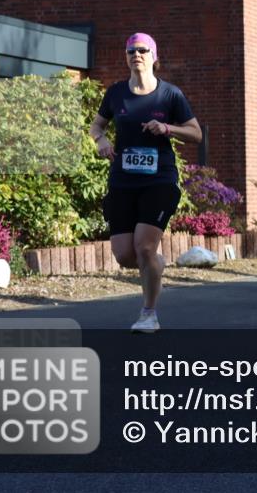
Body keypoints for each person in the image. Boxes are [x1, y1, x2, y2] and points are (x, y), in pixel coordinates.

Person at [90, 32, 202, 333]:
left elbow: (195, 133)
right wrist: (101, 140)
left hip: (160, 180)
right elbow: (97, 125)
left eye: (142, 50)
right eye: (131, 51)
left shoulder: (170, 95)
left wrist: (167, 128)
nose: (136, 55)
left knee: (144, 247)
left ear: (154, 57)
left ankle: (149, 313)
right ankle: (155, 262)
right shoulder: (116, 93)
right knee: (124, 255)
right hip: (122, 181)